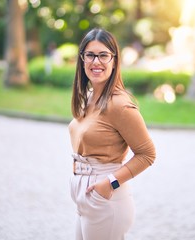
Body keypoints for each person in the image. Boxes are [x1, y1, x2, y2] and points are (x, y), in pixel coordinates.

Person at [68, 28, 156, 240]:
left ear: (115, 60)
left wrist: (109, 184)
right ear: (82, 60)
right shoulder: (89, 97)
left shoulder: (120, 105)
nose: (96, 62)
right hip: (84, 196)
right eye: (90, 55)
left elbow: (147, 154)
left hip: (105, 198)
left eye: (103, 55)